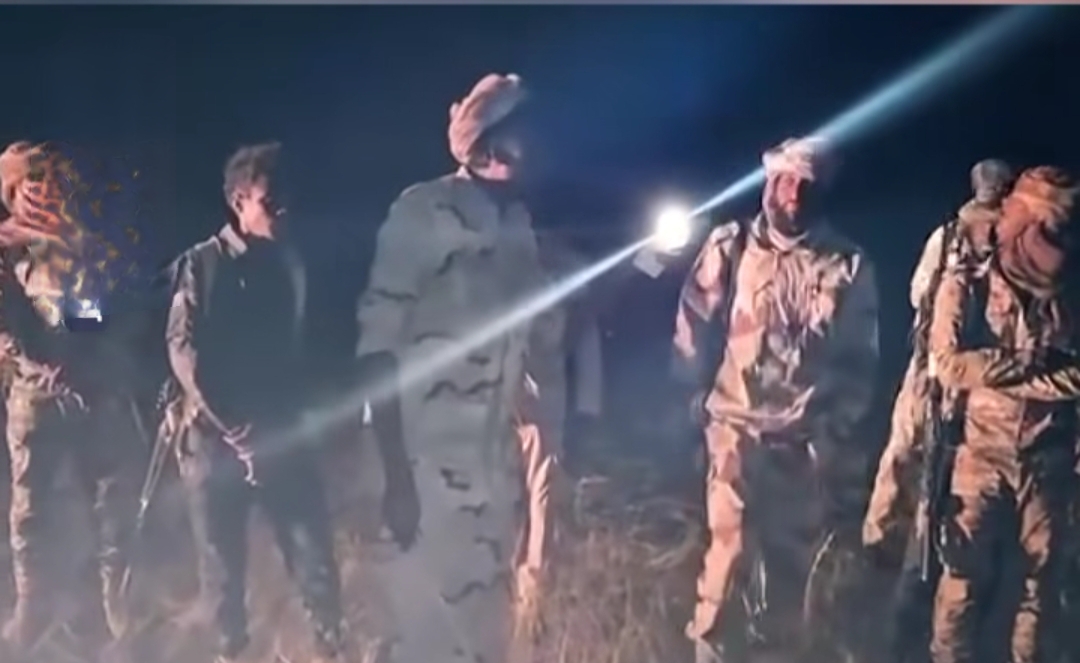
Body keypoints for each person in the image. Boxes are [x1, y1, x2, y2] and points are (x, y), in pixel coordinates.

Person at [355, 73, 544, 663]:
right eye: (523, 131)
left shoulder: (517, 226)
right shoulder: (423, 210)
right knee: (421, 638)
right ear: (488, 143)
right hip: (422, 470)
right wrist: (393, 476)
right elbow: (378, 350)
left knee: (486, 637)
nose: (538, 142)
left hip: (491, 472)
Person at [672, 136, 880, 663]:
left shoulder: (848, 264)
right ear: (769, 183)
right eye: (786, 181)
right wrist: (689, 395)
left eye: (806, 184)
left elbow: (858, 359)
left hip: (802, 441)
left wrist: (837, 432)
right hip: (735, 428)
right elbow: (694, 322)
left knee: (789, 575)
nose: (794, 194)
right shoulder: (732, 245)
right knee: (729, 556)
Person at [165, 142, 345, 663]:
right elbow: (185, 353)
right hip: (215, 442)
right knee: (223, 575)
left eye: (287, 201)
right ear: (238, 201)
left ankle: (332, 648)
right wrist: (238, 430)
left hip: (282, 432)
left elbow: (302, 349)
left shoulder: (289, 264)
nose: (282, 212)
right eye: (270, 202)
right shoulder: (202, 264)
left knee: (313, 558)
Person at [926, 165, 1080, 663]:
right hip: (979, 454)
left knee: (1043, 586)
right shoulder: (968, 282)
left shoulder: (1071, 296)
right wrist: (1032, 365)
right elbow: (949, 365)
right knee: (962, 578)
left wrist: (994, 370)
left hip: (1049, 461)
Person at [862, 159, 1013, 663]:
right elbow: (922, 297)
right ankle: (886, 559)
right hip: (938, 376)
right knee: (906, 462)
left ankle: (914, 576)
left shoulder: (1011, 241)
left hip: (974, 389)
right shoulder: (952, 238)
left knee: (940, 487)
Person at [0, 140, 144, 652]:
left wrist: (78, 348)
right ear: (12, 190)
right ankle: (34, 607)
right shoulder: (5, 247)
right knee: (31, 507)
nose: (43, 191)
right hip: (32, 390)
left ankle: (113, 606)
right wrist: (38, 360)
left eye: (50, 180)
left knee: (108, 498)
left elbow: (99, 310)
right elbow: (9, 326)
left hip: (90, 384)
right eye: (31, 182)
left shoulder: (76, 240)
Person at [513, 228, 604, 630]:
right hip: (499, 398)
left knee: (541, 500)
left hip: (541, 397)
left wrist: (587, 408)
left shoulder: (564, 264)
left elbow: (583, 331)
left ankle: (530, 608)